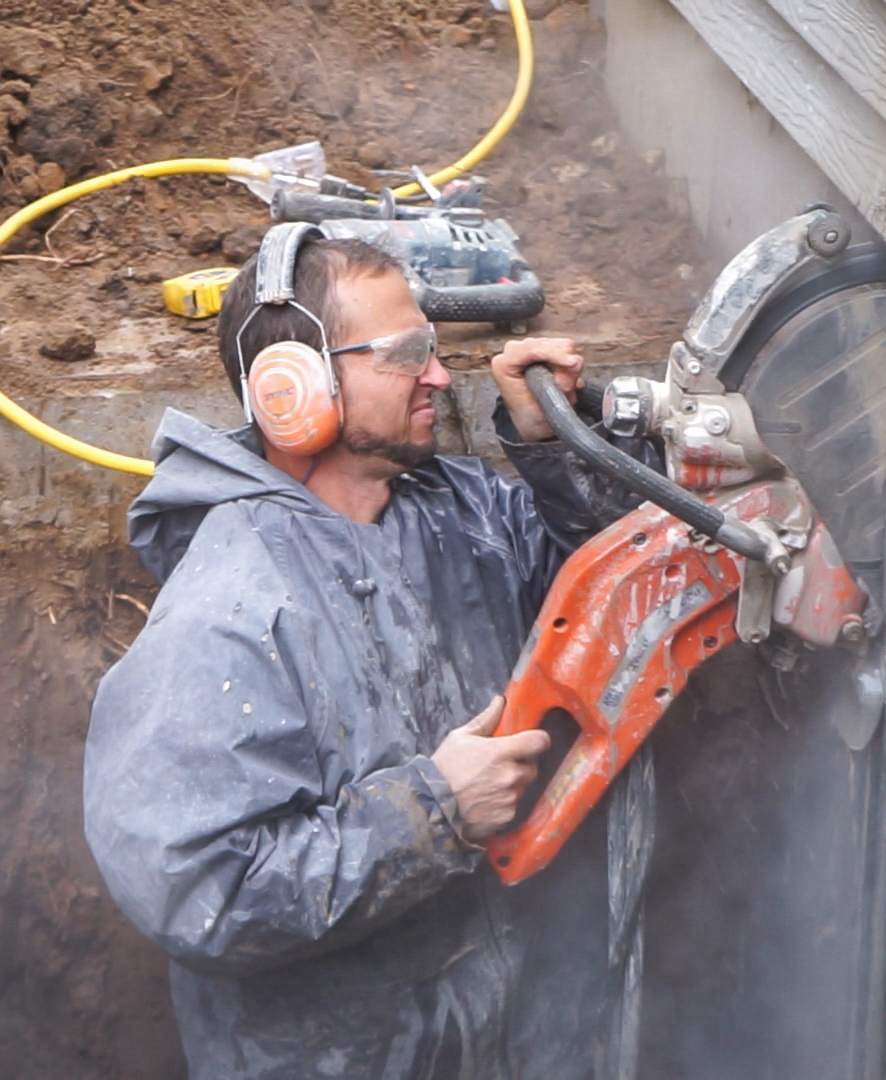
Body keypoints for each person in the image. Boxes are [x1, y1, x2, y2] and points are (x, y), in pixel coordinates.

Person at [84, 233, 655, 1079]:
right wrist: (432, 813)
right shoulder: (235, 604)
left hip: (511, 1033)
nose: (437, 375)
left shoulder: (458, 512)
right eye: (407, 354)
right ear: (294, 388)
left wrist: (550, 449)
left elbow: (606, 600)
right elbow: (199, 890)